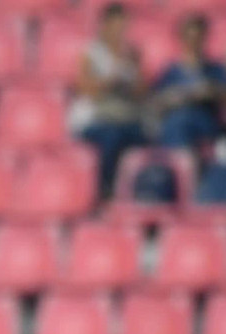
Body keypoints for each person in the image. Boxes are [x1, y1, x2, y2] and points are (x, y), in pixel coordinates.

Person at [69, 2, 149, 201]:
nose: (119, 30)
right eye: (115, 25)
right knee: (111, 139)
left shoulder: (132, 54)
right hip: (98, 120)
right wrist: (109, 81)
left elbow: (142, 92)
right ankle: (105, 192)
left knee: (145, 140)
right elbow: (85, 89)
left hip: (127, 118)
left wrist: (132, 73)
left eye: (123, 25)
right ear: (104, 25)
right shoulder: (90, 53)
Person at [153, 14, 226, 149]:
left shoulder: (214, 69)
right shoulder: (170, 71)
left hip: (205, 121)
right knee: (177, 123)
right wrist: (175, 97)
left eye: (197, 38)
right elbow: (157, 100)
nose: (193, 43)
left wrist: (212, 90)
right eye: (189, 38)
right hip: (175, 122)